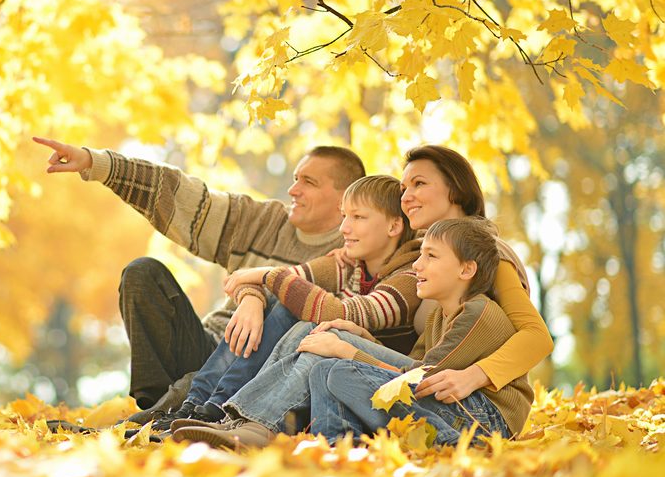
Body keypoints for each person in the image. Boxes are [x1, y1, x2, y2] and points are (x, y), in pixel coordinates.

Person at [172, 145, 553, 447]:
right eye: (404, 189)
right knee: (322, 331)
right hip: (436, 384)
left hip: (479, 401)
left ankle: (256, 425)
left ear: (455, 189)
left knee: (333, 339)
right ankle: (242, 420)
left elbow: (535, 337)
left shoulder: (485, 252)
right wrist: (363, 340)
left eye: (419, 184)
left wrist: (475, 376)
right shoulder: (423, 258)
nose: (407, 197)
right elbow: (426, 356)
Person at [32, 136, 366, 419]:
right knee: (142, 273)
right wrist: (97, 163)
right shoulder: (263, 221)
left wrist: (255, 294)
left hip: (262, 376)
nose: (293, 189)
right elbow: (183, 196)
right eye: (295, 178)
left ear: (344, 198)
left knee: (288, 303)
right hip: (211, 349)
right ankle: (157, 411)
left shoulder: (355, 251)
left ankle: (178, 413)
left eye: (308, 182)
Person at [151, 174, 422, 432]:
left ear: (394, 226)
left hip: (371, 380)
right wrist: (252, 301)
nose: (344, 228)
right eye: (344, 217)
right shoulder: (349, 264)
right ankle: (196, 405)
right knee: (281, 302)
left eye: (358, 217)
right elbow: (277, 282)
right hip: (323, 364)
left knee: (298, 308)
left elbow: (346, 314)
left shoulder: (409, 275)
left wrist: (268, 275)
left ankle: (214, 407)